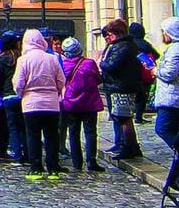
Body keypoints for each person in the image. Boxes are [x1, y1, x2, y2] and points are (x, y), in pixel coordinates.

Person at [13, 29, 67, 180]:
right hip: (51, 104)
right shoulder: (52, 59)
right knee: (52, 136)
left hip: (31, 103)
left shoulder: (23, 60)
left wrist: (21, 94)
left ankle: (36, 168)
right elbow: (61, 80)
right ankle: (53, 169)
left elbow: (18, 83)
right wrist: (57, 93)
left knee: (33, 136)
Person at [98, 19, 146, 160]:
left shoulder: (122, 46)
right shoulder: (125, 44)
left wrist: (101, 63)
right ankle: (131, 146)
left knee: (124, 118)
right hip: (122, 85)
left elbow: (112, 65)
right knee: (123, 118)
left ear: (117, 33)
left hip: (122, 87)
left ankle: (128, 147)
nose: (108, 37)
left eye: (109, 34)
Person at [59, 37, 105, 172]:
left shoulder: (62, 64)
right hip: (89, 102)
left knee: (73, 133)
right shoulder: (89, 63)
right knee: (90, 132)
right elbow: (98, 79)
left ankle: (77, 162)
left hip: (70, 103)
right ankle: (91, 161)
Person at [152, 17, 179, 149]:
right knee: (177, 131)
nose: (163, 35)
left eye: (164, 32)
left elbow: (169, 74)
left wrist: (155, 70)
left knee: (162, 129)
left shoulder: (176, 49)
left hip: (173, 97)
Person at [0, 34, 25, 163]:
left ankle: (18, 155)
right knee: (24, 126)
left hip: (8, 95)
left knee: (13, 127)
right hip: (22, 95)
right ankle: (28, 153)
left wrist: (2, 92)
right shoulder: (21, 57)